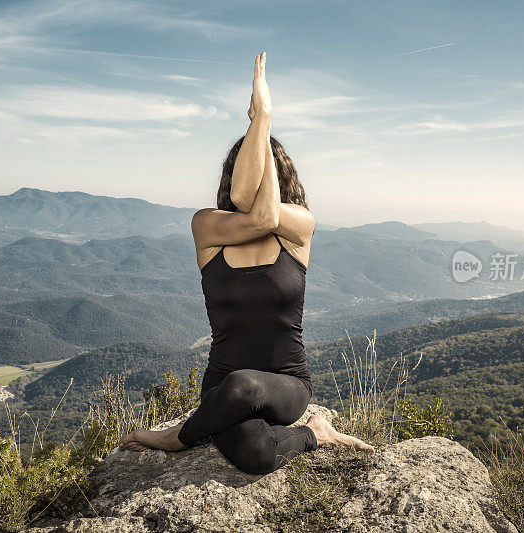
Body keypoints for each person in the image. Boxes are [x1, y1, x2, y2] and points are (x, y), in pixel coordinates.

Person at [119, 51, 375, 474]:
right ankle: (316, 433)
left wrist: (262, 120)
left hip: (287, 385)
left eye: (261, 169)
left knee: (245, 384)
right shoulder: (208, 227)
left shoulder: (298, 227)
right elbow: (251, 209)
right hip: (224, 390)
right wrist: (262, 125)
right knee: (255, 454)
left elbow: (265, 214)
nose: (252, 182)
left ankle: (176, 437)